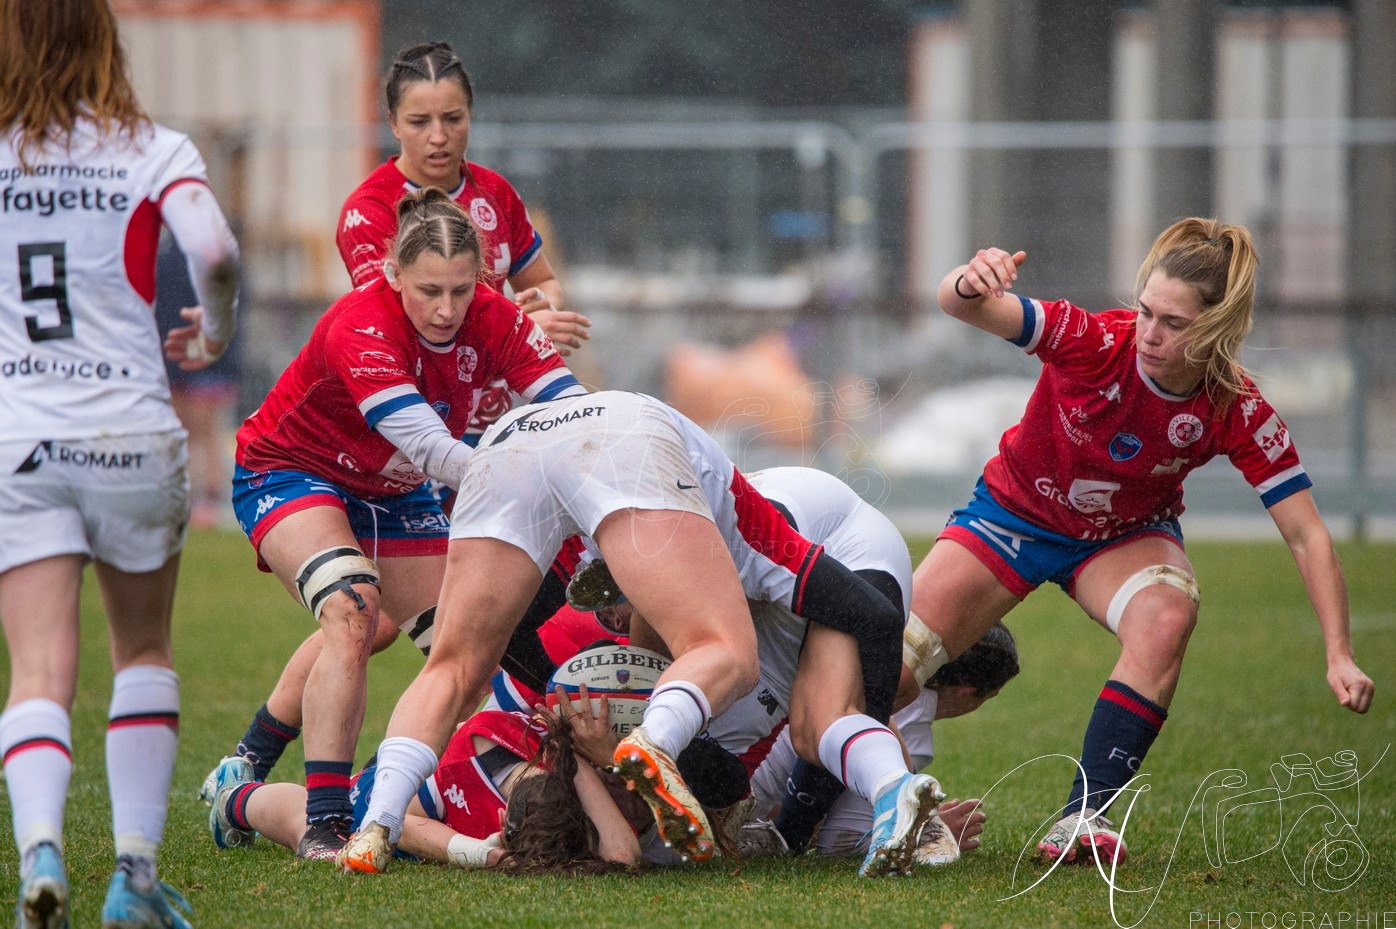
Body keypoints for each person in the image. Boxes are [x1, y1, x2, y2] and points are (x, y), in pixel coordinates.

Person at [900, 219, 1375, 866]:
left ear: (1216, 331)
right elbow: (958, 303)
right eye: (1146, 311)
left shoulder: (1235, 404)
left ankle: (1084, 816)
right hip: (1014, 514)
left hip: (1120, 539)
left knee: (1168, 613)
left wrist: (1339, 653)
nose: (1149, 332)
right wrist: (970, 277)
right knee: (893, 671)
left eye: (1174, 324)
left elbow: (1305, 532)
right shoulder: (1095, 339)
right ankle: (790, 812)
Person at [335, 391, 914, 874]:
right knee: (725, 654)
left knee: (453, 665)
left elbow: (513, 630)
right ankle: (655, 740)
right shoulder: (728, 525)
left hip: (516, 435)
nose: (610, 621)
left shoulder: (725, 536)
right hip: (628, 435)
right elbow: (874, 618)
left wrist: (558, 702)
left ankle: (376, 824)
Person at [227, 187, 585, 862]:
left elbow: (575, 411)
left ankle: (415, 791)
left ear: (481, 276)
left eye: (460, 289)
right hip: (292, 469)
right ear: (392, 272)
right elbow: (436, 452)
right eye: (428, 291)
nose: (446, 310)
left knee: (471, 650)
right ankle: (325, 822)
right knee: (352, 606)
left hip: (392, 490)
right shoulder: (359, 324)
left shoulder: (498, 315)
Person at [0, 1, 240, 926]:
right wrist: (209, 331)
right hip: (130, 435)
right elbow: (213, 249)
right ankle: (134, 880)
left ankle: (40, 853)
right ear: (105, 38)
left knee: (37, 669)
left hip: (19, 438)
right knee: (141, 650)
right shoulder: (152, 146)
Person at [337, 41, 590, 365]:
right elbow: (404, 323)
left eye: (453, 118)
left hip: (493, 404)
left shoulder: (495, 193)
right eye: (419, 122)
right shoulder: (369, 209)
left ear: (470, 114)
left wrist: (543, 307)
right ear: (394, 124)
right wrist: (517, 329)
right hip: (413, 401)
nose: (439, 136)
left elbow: (542, 281)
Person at [204, 703, 643, 873]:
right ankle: (232, 799)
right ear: (502, 821)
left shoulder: (554, 757)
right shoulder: (470, 775)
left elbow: (622, 853)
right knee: (305, 821)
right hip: (390, 800)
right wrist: (480, 853)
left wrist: (581, 763)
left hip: (439, 774)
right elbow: (406, 828)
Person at [742, 623, 1020, 861]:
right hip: (734, 817)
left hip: (722, 778)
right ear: (966, 692)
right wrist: (924, 833)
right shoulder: (913, 725)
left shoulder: (868, 660)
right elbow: (842, 841)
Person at [153, 230, 242, 529]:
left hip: (201, 351)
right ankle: (191, 497)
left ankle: (207, 498)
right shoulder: (169, 254)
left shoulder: (210, 254)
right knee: (188, 431)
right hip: (181, 349)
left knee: (203, 430)